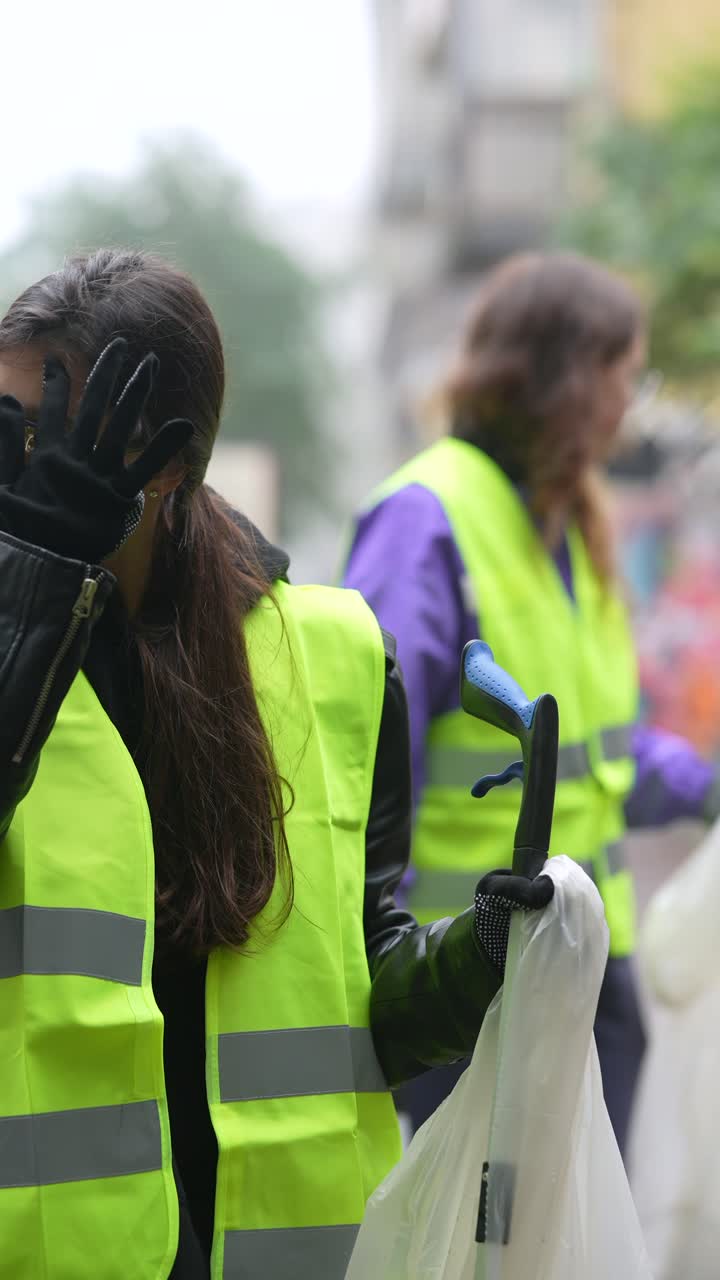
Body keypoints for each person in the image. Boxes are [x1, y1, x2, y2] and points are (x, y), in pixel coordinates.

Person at [0, 249, 554, 1280]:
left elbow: (353, 987)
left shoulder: (334, 653)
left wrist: (472, 959)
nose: (13, 464)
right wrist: (30, 582)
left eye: (45, 433)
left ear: (166, 462)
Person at [343, 251, 720, 1155]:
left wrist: (705, 786)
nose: (632, 403)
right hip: (471, 986)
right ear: (567, 382)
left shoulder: (571, 525)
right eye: (625, 378)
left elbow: (603, 759)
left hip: (584, 977)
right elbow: (364, 769)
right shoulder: (428, 516)